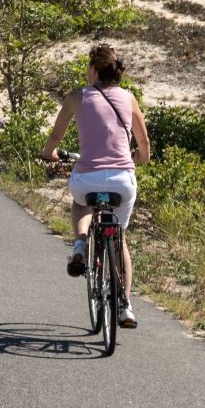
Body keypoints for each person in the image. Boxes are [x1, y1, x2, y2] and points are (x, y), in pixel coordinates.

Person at [42, 44, 151, 328]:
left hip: (87, 178)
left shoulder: (77, 96)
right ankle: (125, 306)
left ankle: (80, 243)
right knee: (120, 238)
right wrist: (138, 157)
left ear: (93, 70)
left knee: (81, 203)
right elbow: (144, 143)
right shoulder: (129, 98)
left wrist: (49, 153)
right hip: (122, 181)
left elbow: (56, 135)